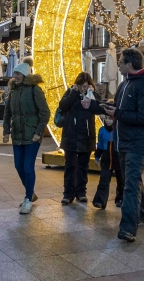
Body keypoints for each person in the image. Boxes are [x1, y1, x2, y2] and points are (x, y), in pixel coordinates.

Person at [102, 48, 144, 243]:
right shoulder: (125, 84)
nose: (118, 64)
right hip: (122, 141)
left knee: (130, 186)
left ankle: (128, 228)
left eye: (121, 61)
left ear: (130, 65)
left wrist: (117, 114)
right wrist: (111, 112)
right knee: (131, 181)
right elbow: (121, 110)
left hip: (137, 144)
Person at [2, 57, 50, 215]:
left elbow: (45, 113)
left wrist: (38, 133)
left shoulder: (34, 89)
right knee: (18, 166)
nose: (14, 76)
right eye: (14, 73)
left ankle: (28, 199)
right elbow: (7, 112)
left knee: (28, 167)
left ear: (24, 74)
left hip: (31, 135)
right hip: (17, 134)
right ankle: (31, 193)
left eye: (17, 73)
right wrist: (6, 131)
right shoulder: (13, 91)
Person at [57, 72, 102, 205]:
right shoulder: (71, 92)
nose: (83, 88)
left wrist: (92, 95)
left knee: (83, 166)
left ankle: (81, 192)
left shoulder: (91, 95)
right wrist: (74, 93)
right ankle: (68, 194)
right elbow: (63, 105)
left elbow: (99, 108)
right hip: (70, 135)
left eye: (86, 86)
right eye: (81, 85)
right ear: (77, 84)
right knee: (70, 165)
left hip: (86, 136)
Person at [92, 120, 123, 209]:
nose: (108, 121)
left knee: (121, 180)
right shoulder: (102, 130)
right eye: (106, 118)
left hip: (118, 157)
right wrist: (97, 157)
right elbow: (100, 145)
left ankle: (120, 199)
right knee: (104, 180)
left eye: (111, 118)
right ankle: (100, 201)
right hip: (106, 158)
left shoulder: (119, 129)